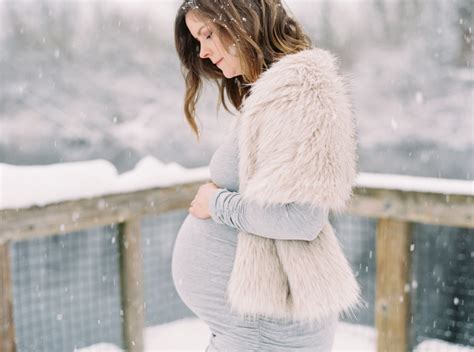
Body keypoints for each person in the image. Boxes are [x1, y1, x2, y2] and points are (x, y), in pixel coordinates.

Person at [171, 0, 361, 351]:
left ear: (241, 18)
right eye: (198, 41)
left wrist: (218, 204)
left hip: (268, 332)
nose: (203, 52)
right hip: (251, 328)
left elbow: (302, 220)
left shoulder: (303, 92)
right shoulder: (275, 91)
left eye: (208, 34)